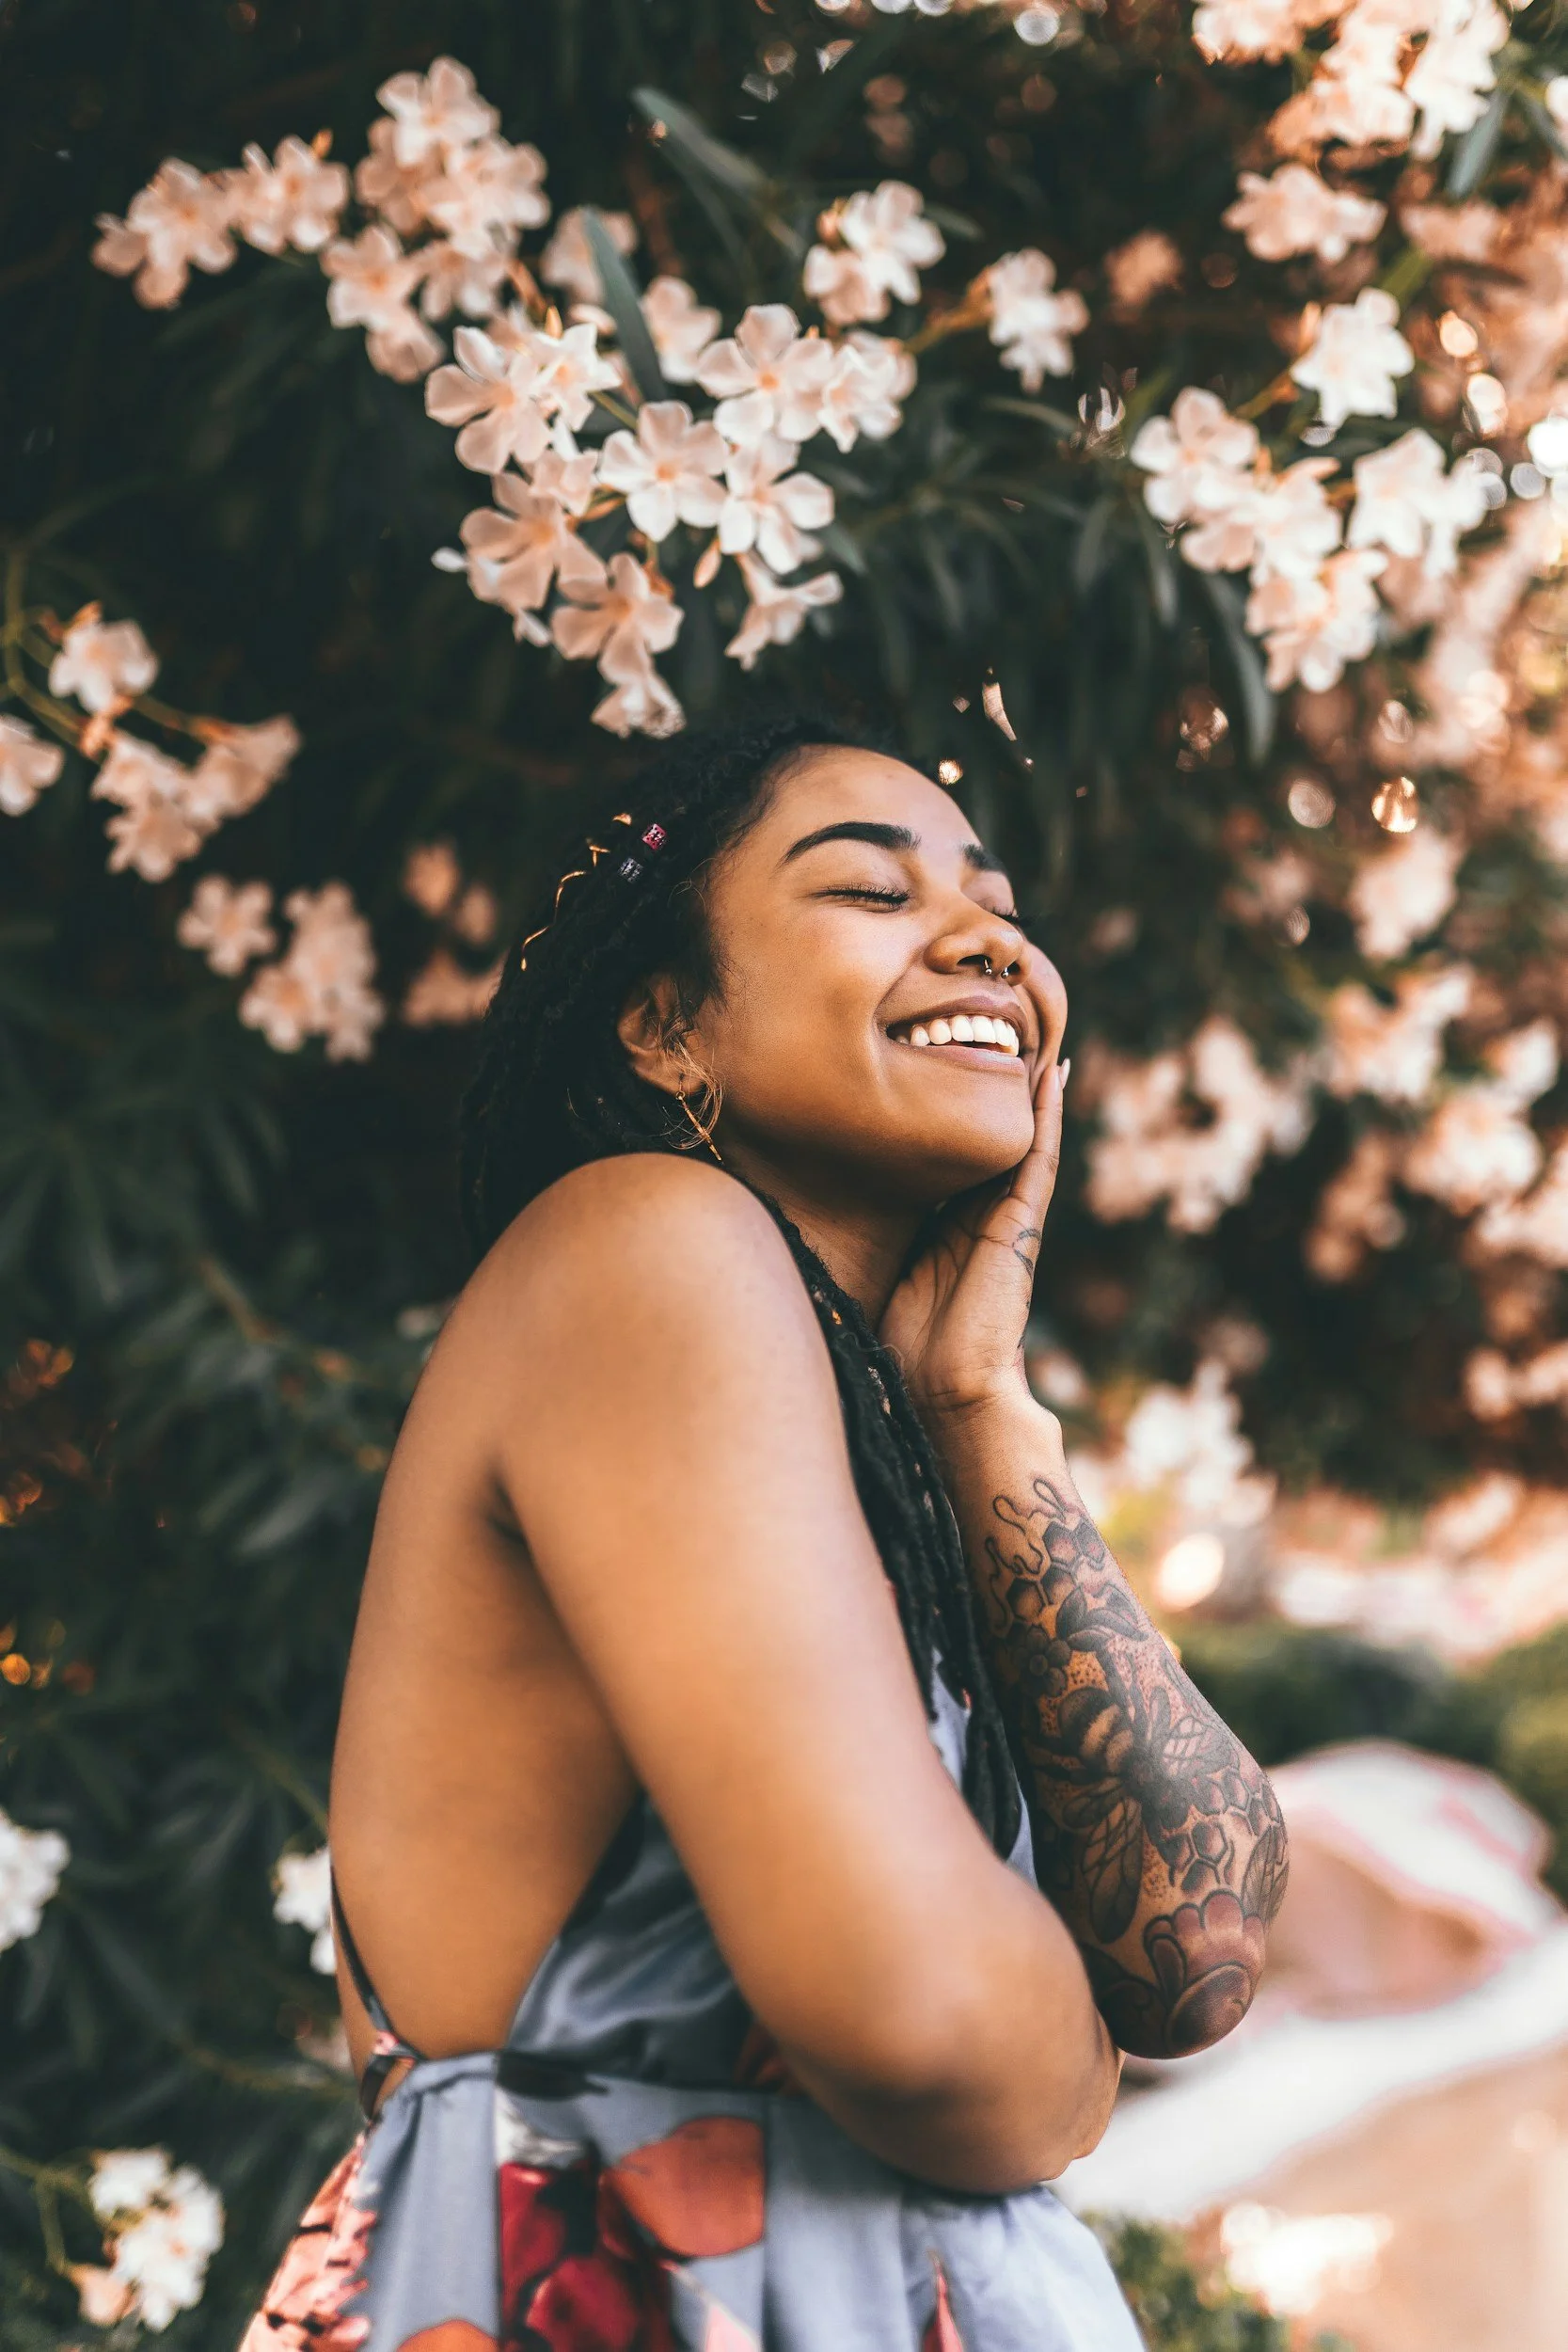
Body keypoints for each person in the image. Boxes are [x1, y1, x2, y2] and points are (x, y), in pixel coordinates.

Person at [243, 712, 1288, 2352]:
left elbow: (1198, 1962)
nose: (983, 941)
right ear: (666, 1029)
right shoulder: (648, 1244)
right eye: (869, 891)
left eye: (993, 900)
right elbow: (926, 2020)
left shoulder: (867, 1412)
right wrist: (1070, 2068)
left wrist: (980, 1411)